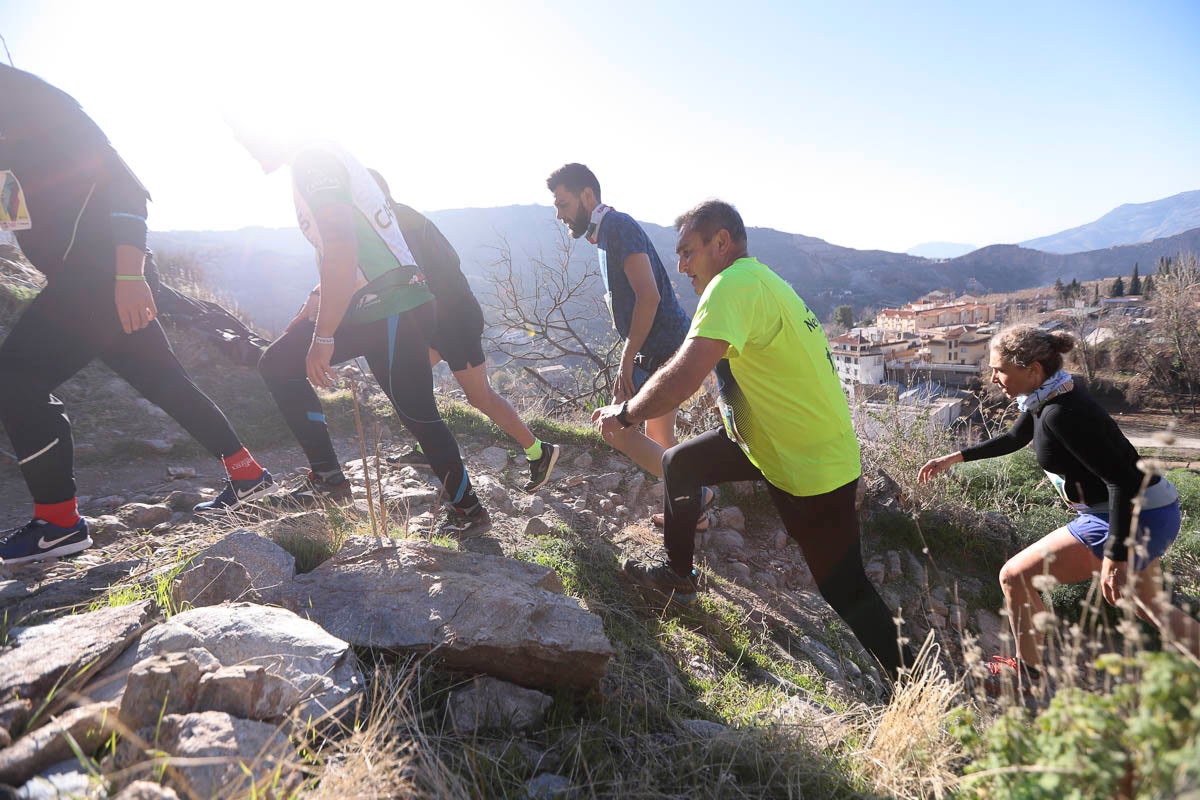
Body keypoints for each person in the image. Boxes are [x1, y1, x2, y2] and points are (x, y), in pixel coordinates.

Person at [594, 200, 911, 682]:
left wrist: (627, 413)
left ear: (721, 243)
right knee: (680, 464)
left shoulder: (731, 285)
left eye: (687, 253)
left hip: (810, 468)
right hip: (767, 441)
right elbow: (699, 359)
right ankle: (679, 579)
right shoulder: (761, 281)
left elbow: (684, 376)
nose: (680, 267)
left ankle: (917, 687)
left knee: (846, 590)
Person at [0, 64, 274, 564]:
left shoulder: (42, 112)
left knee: (15, 376)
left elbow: (126, 191)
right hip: (93, 281)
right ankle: (248, 474)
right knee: (166, 384)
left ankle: (58, 522)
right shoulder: (13, 135)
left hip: (101, 278)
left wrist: (128, 277)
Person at [235, 128, 490, 534]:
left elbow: (341, 245)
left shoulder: (312, 158)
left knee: (414, 412)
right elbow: (345, 247)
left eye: (243, 133)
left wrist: (323, 337)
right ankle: (463, 509)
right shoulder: (315, 159)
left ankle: (337, 484)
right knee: (412, 411)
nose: (243, 143)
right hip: (387, 300)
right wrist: (319, 299)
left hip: (389, 303)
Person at [919, 325, 1200, 687]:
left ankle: (1026, 670)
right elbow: (1015, 437)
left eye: (1000, 369)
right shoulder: (1049, 396)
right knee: (1150, 606)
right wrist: (955, 457)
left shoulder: (1061, 414)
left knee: (1014, 577)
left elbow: (1122, 482)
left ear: (1032, 369)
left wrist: (1115, 556)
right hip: (1153, 509)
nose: (993, 377)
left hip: (1128, 514)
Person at [367, 169, 560, 492]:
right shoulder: (392, 221)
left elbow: (431, 269)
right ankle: (429, 445)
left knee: (480, 397)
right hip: (436, 319)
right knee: (404, 376)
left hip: (454, 321)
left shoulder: (399, 221)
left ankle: (540, 451)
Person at [546, 164, 699, 491]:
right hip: (663, 346)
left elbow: (649, 296)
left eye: (563, 205)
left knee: (614, 428)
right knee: (659, 436)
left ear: (587, 196)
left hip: (661, 350)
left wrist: (626, 361)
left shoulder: (617, 226)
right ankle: (692, 508)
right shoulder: (606, 233)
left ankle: (696, 493)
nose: (560, 215)